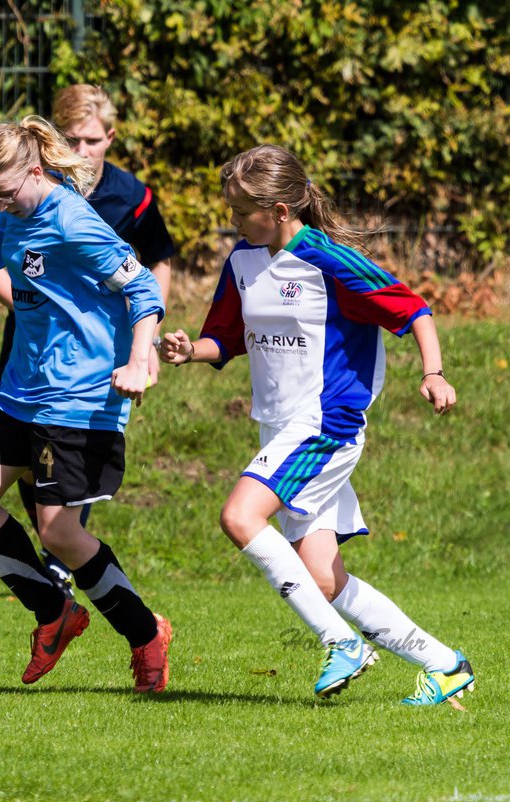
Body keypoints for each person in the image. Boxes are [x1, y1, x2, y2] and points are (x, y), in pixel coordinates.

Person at [158, 144, 474, 706]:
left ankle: (340, 643)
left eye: (240, 211)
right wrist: (190, 351)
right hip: (278, 427)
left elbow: (413, 308)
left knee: (239, 515)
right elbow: (225, 337)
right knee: (322, 579)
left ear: (280, 209)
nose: (232, 220)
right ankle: (444, 664)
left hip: (325, 425)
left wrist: (434, 372)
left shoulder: (329, 261)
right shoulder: (242, 261)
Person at [0, 115, 173, 693]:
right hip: (19, 391)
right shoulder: (10, 214)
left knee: (59, 534)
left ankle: (146, 634)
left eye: (4, 193)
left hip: (78, 396)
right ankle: (56, 612)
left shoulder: (72, 220)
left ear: (36, 173)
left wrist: (140, 359)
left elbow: (142, 286)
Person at [0, 85, 178, 595]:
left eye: (92, 139)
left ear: (111, 137)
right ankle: (57, 573)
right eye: (73, 139)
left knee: (58, 503)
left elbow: (152, 268)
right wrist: (21, 300)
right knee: (15, 480)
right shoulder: (18, 195)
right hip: (28, 352)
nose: (82, 150)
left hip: (91, 366)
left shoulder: (127, 198)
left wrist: (141, 348)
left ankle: (66, 574)